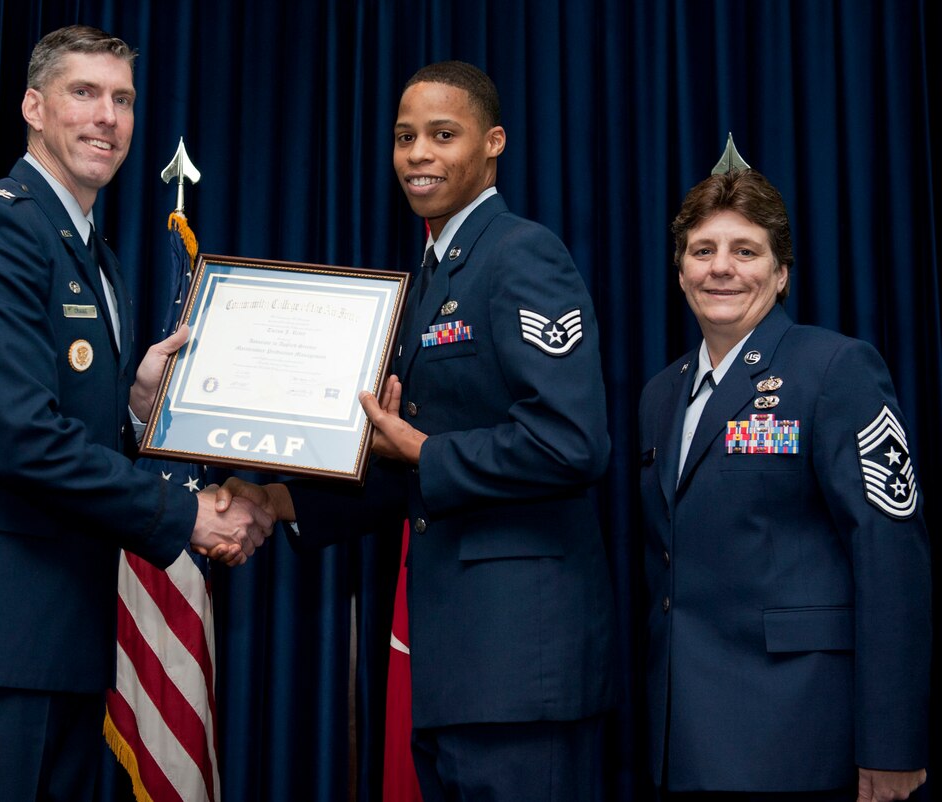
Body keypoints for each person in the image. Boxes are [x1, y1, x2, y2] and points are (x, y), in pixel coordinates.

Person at [0, 25, 271, 802]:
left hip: (57, 635)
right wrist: (185, 513)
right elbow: (22, 439)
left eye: (122, 99)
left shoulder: (88, 250)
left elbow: (55, 419)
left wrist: (134, 405)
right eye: (83, 93)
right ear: (33, 106)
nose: (107, 117)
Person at [221, 60, 617, 801]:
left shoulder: (520, 254)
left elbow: (572, 442)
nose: (418, 155)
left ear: (493, 141)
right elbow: (409, 469)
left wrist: (425, 450)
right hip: (459, 675)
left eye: (443, 135)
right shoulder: (435, 275)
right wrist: (274, 501)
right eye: (405, 138)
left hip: (520, 672)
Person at [638, 144, 931, 801]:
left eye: (746, 251)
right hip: (681, 740)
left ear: (781, 273)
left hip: (798, 736)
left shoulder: (836, 369)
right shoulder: (660, 395)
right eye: (703, 250)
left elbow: (891, 558)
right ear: (680, 269)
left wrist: (892, 742)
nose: (722, 268)